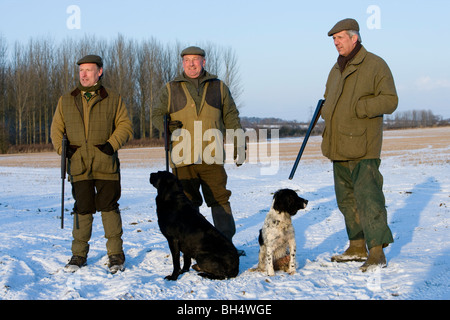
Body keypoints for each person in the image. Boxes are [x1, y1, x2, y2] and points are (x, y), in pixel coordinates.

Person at [320, 19, 398, 272]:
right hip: (338, 145)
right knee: (346, 200)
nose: (336, 42)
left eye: (340, 37)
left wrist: (360, 107)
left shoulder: (375, 64)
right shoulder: (336, 69)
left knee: (369, 198)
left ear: (354, 37)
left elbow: (390, 100)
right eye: (334, 39)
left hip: (364, 146)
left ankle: (376, 252)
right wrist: (325, 110)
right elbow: (329, 99)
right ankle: (356, 246)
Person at [152, 46, 244, 243]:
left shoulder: (219, 87)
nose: (191, 63)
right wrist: (166, 126)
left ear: (204, 62)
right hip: (182, 157)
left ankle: (225, 243)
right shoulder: (170, 88)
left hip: (213, 154)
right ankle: (191, 244)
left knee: (219, 199)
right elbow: (156, 115)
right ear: (182, 63)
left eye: (195, 59)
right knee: (187, 203)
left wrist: (239, 143)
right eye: (187, 60)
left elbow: (231, 116)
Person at [51, 54, 133, 273]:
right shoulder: (67, 99)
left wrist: (111, 144)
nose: (84, 74)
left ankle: (116, 255)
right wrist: (64, 150)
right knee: (83, 209)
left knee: (109, 208)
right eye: (81, 70)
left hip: (106, 164)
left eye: (88, 70)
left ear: (100, 72)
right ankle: (78, 255)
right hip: (78, 165)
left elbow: (125, 125)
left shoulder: (113, 98)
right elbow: (56, 130)